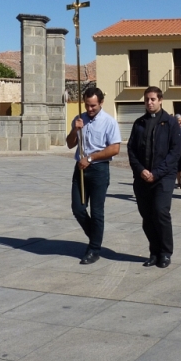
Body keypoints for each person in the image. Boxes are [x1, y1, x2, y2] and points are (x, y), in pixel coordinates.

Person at [127, 87, 181, 268]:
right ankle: (154, 252)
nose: (149, 103)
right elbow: (131, 150)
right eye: (147, 100)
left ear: (160, 100)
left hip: (163, 177)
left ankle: (165, 252)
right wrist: (141, 170)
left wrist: (156, 173)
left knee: (160, 212)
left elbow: (174, 152)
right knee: (147, 216)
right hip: (142, 177)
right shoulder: (139, 123)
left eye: (152, 99)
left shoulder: (171, 123)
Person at [67, 87, 121, 265]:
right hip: (80, 169)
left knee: (97, 212)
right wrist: (75, 130)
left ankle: (94, 249)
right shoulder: (79, 119)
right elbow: (69, 144)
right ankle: (96, 237)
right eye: (87, 105)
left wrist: (90, 158)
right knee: (78, 208)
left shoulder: (109, 122)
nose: (90, 109)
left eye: (93, 106)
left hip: (99, 170)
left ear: (101, 103)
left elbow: (114, 148)